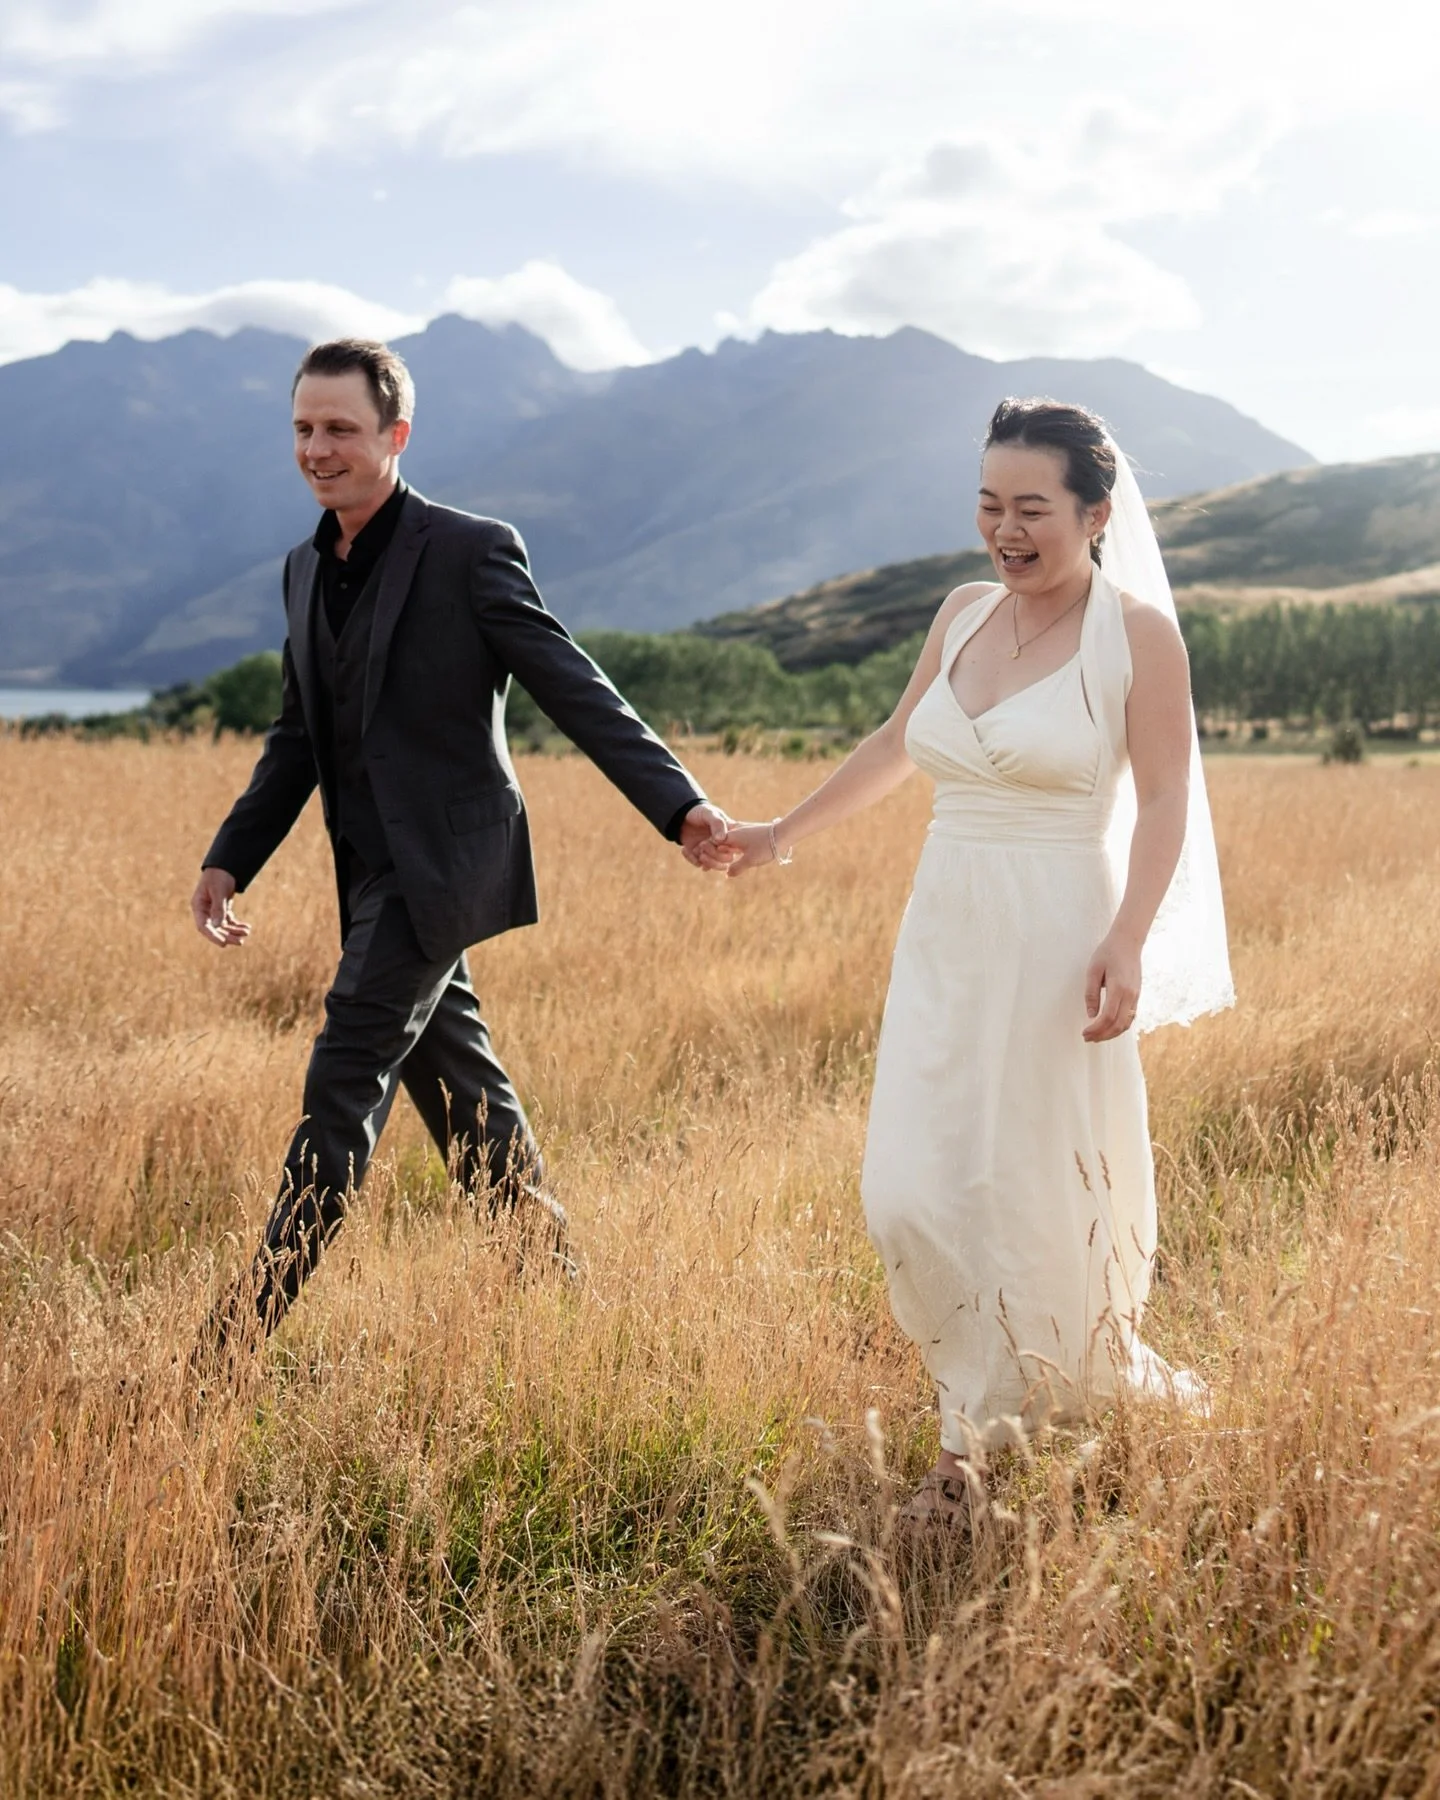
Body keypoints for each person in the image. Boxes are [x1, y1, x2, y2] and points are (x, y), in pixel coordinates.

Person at [721, 398, 1234, 1524]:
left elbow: (1164, 805)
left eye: (1032, 508)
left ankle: (971, 1455)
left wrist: (1128, 940)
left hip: (1059, 936)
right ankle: (1030, 1398)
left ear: (1096, 515)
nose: (1005, 529)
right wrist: (777, 832)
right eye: (989, 504)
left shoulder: (1136, 633)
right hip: (945, 935)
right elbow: (895, 745)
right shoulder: (961, 613)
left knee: (1031, 1191)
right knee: (912, 1189)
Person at [192, 337, 734, 1361]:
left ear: (394, 436)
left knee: (342, 1082)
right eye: (304, 428)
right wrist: (232, 856)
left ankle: (224, 1356)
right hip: (371, 878)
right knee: (468, 1106)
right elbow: (300, 734)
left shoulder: (469, 548)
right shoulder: (304, 568)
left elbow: (572, 684)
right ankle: (570, 1311)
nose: (319, 448)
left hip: (443, 870)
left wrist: (680, 806)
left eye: (341, 429)